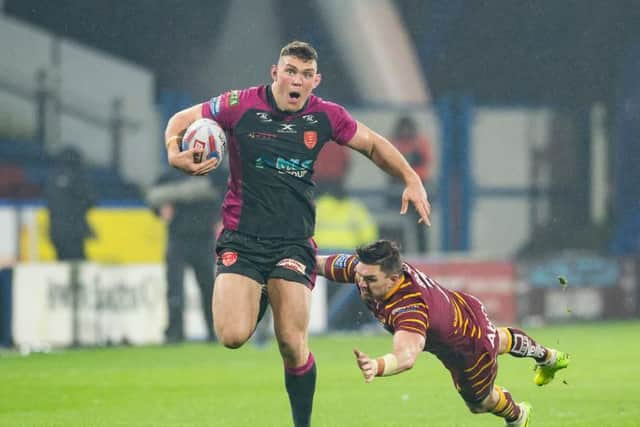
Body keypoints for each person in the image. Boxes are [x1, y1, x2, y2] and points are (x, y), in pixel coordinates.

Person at [163, 41, 431, 427]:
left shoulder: (325, 116)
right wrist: (175, 151)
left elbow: (372, 144)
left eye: (306, 75)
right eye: (290, 71)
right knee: (232, 335)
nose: (297, 80)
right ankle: (258, 293)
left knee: (291, 343)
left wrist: (410, 177)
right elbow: (179, 120)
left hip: (293, 241)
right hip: (242, 237)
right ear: (275, 72)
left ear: (315, 81)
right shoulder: (240, 104)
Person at [317, 240, 570, 427]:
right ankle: (549, 357)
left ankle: (518, 417)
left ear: (394, 280)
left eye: (369, 280)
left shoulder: (410, 308)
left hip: (469, 350)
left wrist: (377, 365)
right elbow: (322, 264)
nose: (361, 282)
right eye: (360, 276)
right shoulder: (372, 271)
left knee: (479, 403)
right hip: (463, 307)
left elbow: (406, 355)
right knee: (498, 338)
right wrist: (292, 258)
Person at [147, 169, 224, 343]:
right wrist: (160, 210)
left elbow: (225, 195)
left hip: (203, 238)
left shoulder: (213, 172)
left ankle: (213, 331)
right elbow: (153, 201)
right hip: (178, 238)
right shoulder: (170, 174)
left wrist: (219, 217)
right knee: (175, 289)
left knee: (208, 288)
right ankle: (175, 333)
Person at [43, 148, 95, 260]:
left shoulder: (51, 178)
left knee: (62, 262)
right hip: (74, 230)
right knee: (78, 263)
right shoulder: (77, 176)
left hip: (55, 231)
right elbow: (91, 200)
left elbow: (48, 202)